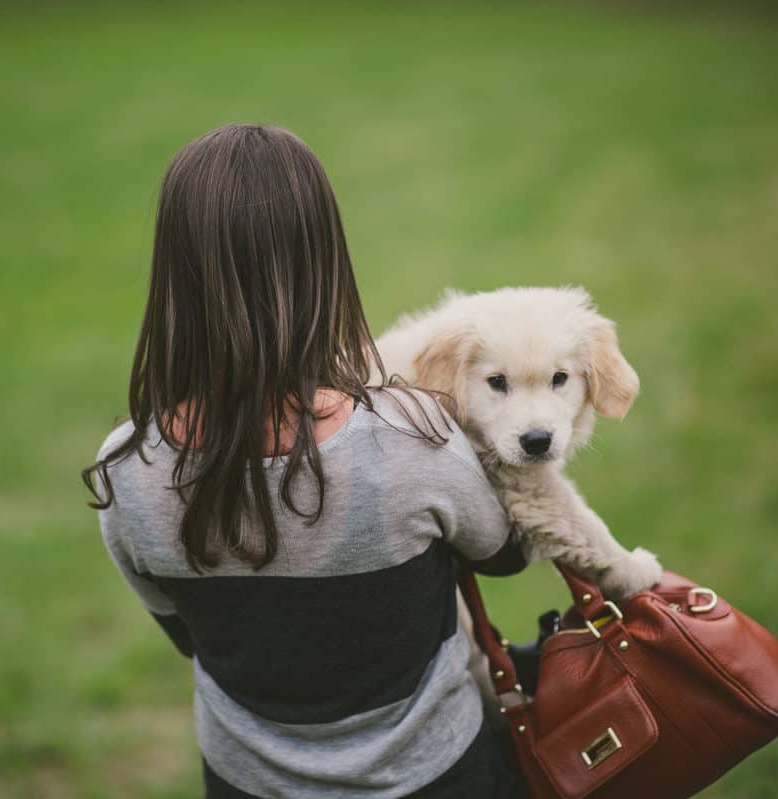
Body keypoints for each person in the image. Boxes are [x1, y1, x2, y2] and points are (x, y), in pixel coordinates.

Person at [82, 123, 527, 798]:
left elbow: (189, 635)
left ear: (175, 274)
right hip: (440, 777)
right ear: (323, 259)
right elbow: (507, 552)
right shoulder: (414, 438)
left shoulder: (127, 471)